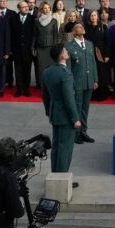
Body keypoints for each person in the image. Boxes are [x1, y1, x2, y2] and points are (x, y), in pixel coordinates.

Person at [41, 43, 80, 172]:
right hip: (65, 116)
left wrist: (48, 111)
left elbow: (45, 95)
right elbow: (69, 99)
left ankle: (55, 174)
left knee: (57, 146)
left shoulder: (47, 71)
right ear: (61, 55)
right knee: (65, 148)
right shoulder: (65, 74)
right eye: (64, 50)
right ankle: (62, 178)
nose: (67, 51)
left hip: (54, 114)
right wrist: (75, 118)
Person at [65, 21, 98, 141]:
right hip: (77, 82)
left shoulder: (89, 44)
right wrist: (70, 84)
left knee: (85, 108)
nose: (81, 28)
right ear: (74, 32)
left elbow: (93, 62)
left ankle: (83, 131)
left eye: (82, 26)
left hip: (88, 81)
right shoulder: (69, 46)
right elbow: (68, 68)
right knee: (77, 107)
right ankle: (76, 133)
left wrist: (95, 79)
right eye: (78, 27)